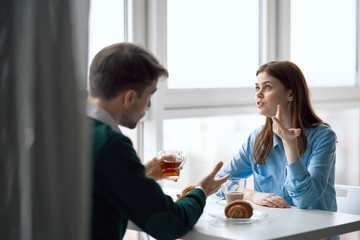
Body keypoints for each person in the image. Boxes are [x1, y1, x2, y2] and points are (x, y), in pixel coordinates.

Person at [86, 42, 230, 240]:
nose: (150, 105)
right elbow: (170, 223)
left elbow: (97, 187)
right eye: (150, 95)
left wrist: (141, 175)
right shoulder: (111, 145)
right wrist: (201, 190)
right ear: (129, 97)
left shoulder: (66, 128)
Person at [215, 60, 337, 212]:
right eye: (257, 88)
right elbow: (217, 183)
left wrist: (290, 144)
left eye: (267, 87)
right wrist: (252, 195)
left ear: (290, 94)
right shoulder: (256, 139)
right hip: (272, 229)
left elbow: (305, 200)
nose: (258, 94)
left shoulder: (323, 137)